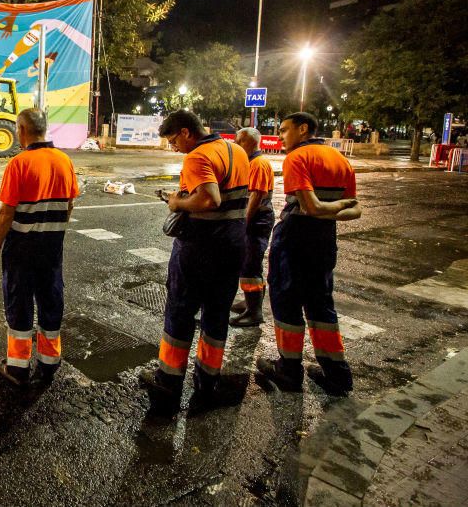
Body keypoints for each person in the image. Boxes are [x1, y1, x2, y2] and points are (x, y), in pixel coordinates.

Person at [139, 110, 249, 414]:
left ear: (187, 132)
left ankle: (169, 380)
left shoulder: (197, 156)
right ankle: (207, 379)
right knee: (216, 315)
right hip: (233, 244)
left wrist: (177, 202)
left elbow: (208, 199)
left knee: (180, 311)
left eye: (174, 141)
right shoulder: (237, 150)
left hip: (201, 246)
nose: (174, 147)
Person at [255, 112, 361, 396]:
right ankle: (337, 374)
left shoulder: (297, 159)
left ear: (303, 130)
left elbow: (310, 207)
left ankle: (288, 370)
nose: (280, 136)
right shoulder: (340, 159)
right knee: (321, 304)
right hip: (325, 239)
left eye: (285, 130)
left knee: (286, 301)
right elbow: (355, 208)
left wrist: (320, 210)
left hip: (295, 237)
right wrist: (337, 208)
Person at [0, 108, 80, 386]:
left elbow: (6, 212)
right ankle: (50, 362)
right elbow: (69, 205)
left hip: (22, 248)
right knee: (51, 299)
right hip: (52, 246)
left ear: (22, 130)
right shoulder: (64, 161)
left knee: (20, 302)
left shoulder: (19, 163)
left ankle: (17, 367)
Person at [229, 127, 275, 327]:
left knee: (250, 265)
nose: (237, 145)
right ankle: (249, 302)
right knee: (248, 263)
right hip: (256, 218)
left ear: (252, 142)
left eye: (240, 141)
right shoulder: (252, 162)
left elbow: (255, 197)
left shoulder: (258, 163)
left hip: (257, 220)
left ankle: (254, 312)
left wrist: (242, 224)